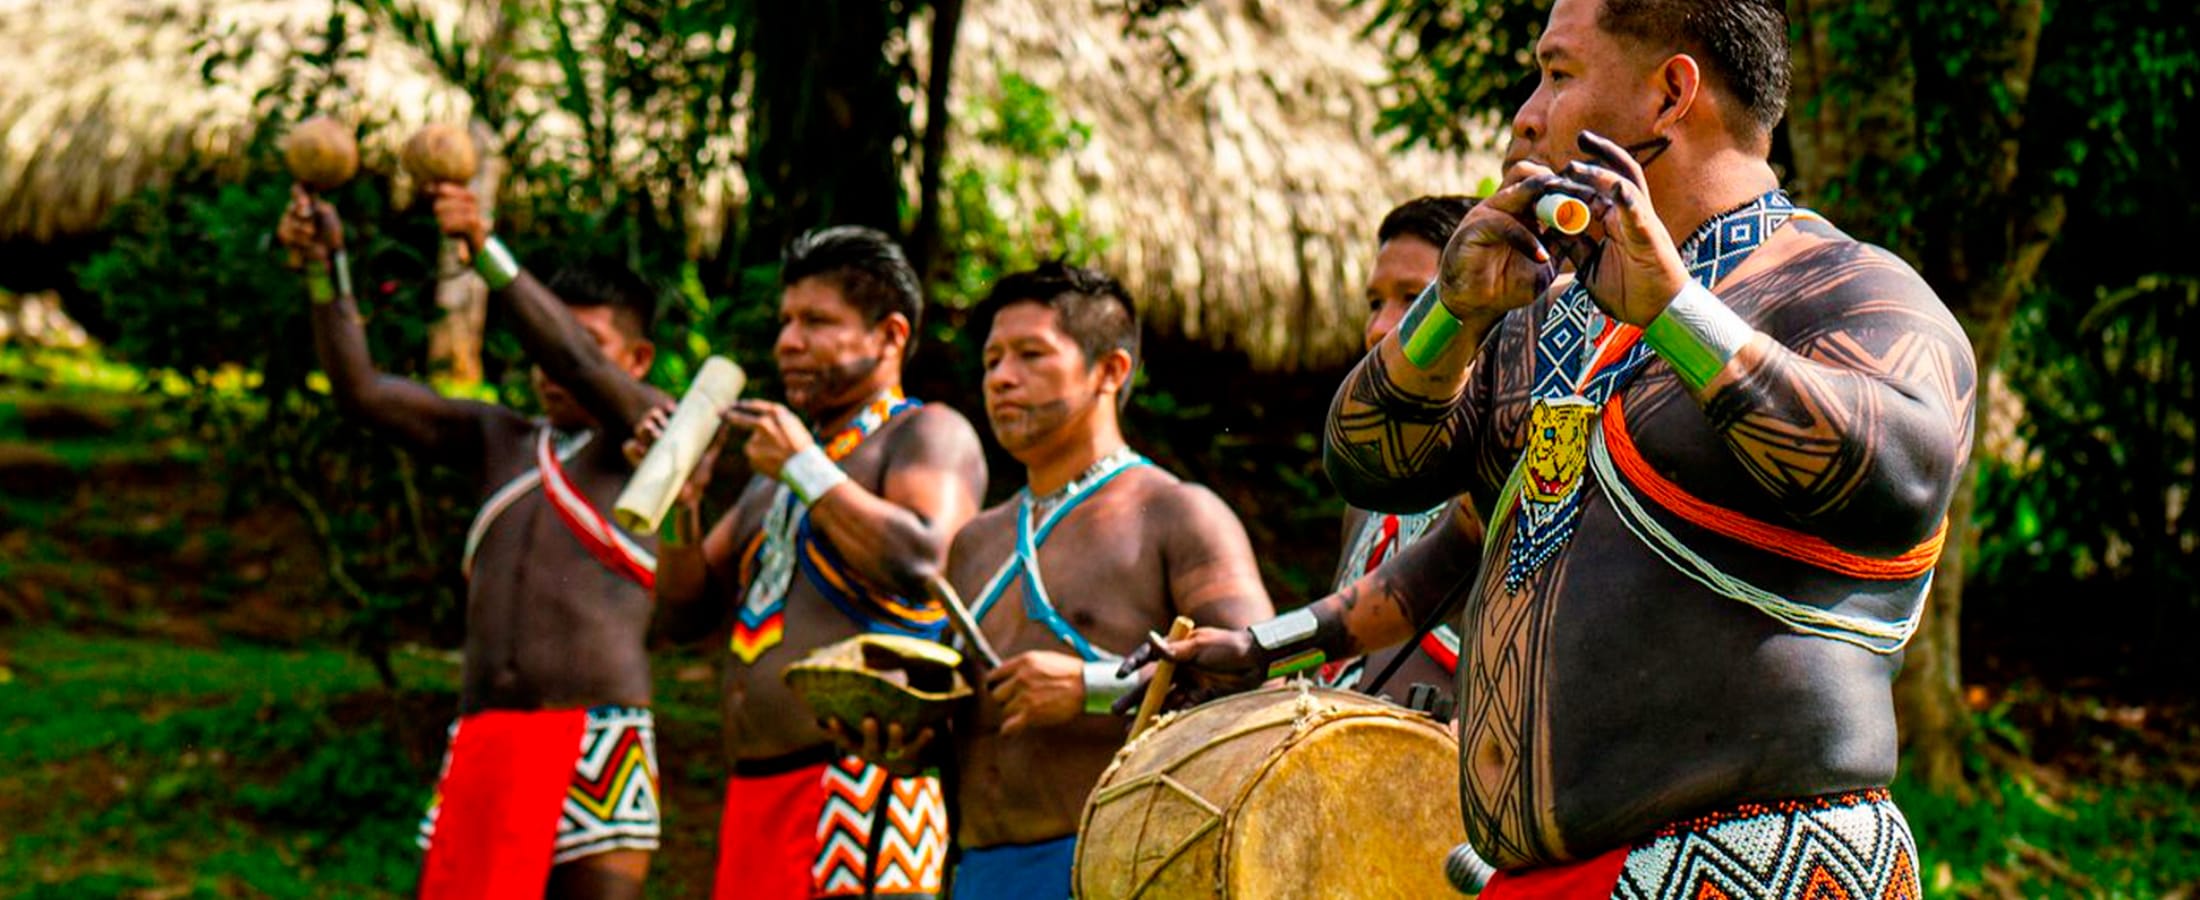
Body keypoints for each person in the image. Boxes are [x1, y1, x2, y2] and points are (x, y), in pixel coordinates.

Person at [1129, 0, 1975, 896]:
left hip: (1761, 865)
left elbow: (1903, 483)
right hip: (1530, 873)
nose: (1528, 115)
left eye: (1558, 74)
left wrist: (1675, 314)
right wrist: (1449, 312)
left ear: (1671, 94)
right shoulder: (1544, 319)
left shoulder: (1846, 291)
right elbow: (1371, 469)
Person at [830, 262, 1275, 898]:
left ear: (1110, 371)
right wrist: (909, 733)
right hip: (977, 869)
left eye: (1031, 355)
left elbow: (1258, 684)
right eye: (992, 360)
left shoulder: (1177, 513)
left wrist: (1091, 688)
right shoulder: (976, 541)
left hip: (1117, 868)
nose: (1002, 377)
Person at [279, 185, 670, 899]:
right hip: (484, 741)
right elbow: (361, 391)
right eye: (540, 346)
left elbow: (578, 365)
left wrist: (483, 251)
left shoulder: (653, 436)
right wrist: (325, 268)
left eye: (585, 341)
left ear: (638, 358)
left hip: (597, 740)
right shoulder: (500, 440)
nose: (551, 364)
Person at [638, 227, 988, 900]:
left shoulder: (925, 432)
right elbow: (682, 616)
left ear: (889, 336)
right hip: (755, 796)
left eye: (816, 322)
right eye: (786, 322)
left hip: (865, 786)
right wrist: (685, 509)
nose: (788, 343)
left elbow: (925, 561)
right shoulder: (773, 473)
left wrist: (803, 467)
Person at [1314, 195, 1483, 710]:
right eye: (1375, 303)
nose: (1379, 328)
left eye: (1413, 299)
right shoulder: (1366, 498)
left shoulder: (1524, 476)